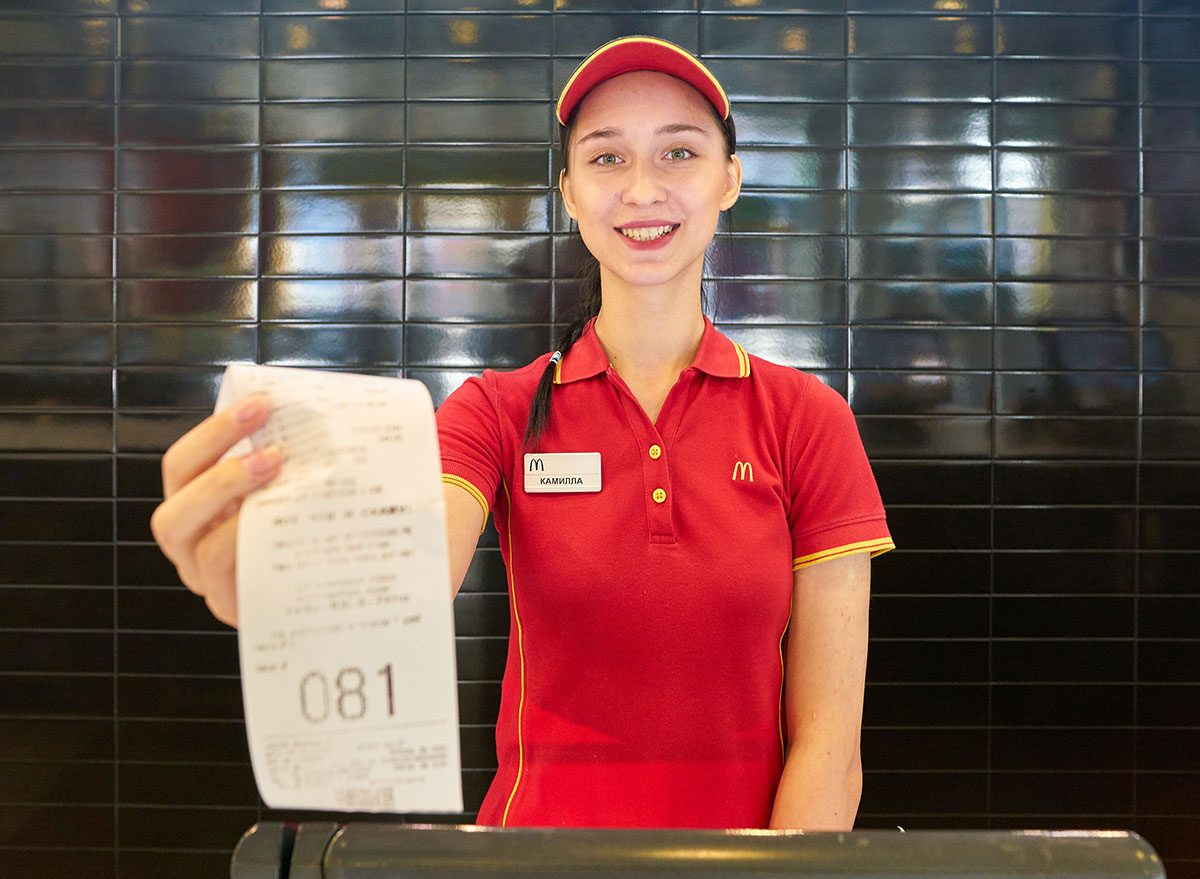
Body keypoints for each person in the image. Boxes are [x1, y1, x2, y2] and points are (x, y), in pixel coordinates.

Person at [151, 36, 893, 832]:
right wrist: (288, 591)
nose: (643, 188)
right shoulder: (496, 411)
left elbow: (829, 750)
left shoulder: (808, 419)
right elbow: (406, 563)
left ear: (729, 181)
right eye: (607, 160)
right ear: (570, 193)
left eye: (678, 151)